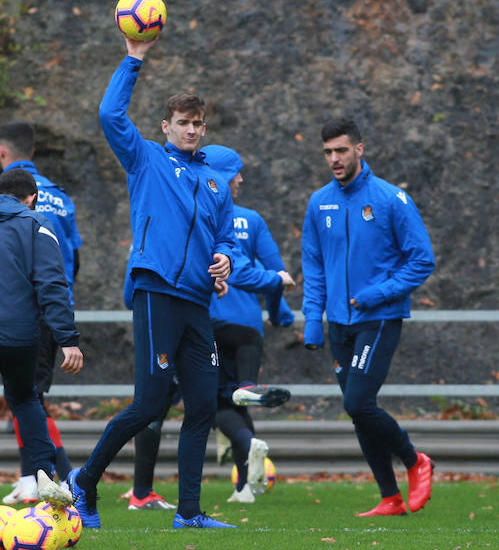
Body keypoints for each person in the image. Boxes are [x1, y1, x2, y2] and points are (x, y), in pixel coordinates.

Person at [68, 34, 237, 529]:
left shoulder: (215, 182)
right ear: (167, 127)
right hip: (155, 292)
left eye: (197, 123)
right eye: (182, 123)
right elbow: (108, 116)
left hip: (196, 303)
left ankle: (188, 513)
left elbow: (225, 235)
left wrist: (225, 258)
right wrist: (133, 58)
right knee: (148, 405)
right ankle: (86, 480)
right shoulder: (145, 158)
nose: (190, 129)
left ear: (204, 128)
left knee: (204, 405)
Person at [302, 117, 436, 517]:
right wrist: (313, 319)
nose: (334, 159)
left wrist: (378, 293)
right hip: (339, 324)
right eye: (327, 152)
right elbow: (313, 265)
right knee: (359, 411)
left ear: (360, 149)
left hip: (378, 318)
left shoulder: (391, 199)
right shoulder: (318, 202)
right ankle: (390, 497)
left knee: (357, 402)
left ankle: (415, 461)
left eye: (341, 150)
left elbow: (421, 260)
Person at [202, 144, 295, 503]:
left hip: (209, 322)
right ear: (224, 176)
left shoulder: (201, 215)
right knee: (239, 396)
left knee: (214, 404)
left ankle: (246, 448)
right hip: (248, 328)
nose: (241, 178)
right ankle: (245, 486)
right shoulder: (252, 220)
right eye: (236, 172)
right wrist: (279, 312)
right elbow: (276, 275)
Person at [0, 121, 81, 503]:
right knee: (26, 398)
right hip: (19, 332)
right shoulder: (37, 221)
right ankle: (45, 476)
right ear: (32, 198)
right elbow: (54, 282)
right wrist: (68, 339)